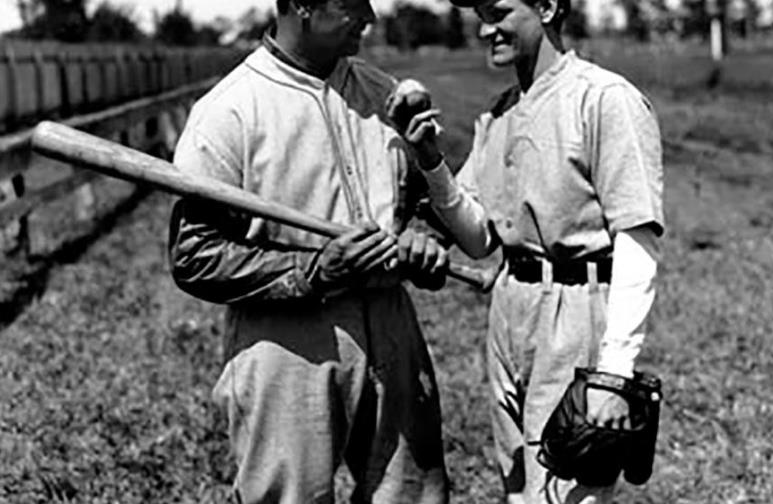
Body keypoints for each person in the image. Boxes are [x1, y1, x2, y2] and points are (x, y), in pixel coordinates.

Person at [166, 0, 452, 501]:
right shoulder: (230, 109)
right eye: (352, 4)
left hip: (390, 323)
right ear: (301, 5)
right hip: (286, 336)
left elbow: (427, 204)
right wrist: (314, 270)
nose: (370, 17)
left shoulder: (382, 94)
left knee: (413, 493)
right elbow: (195, 256)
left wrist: (422, 238)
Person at [387, 0, 664, 502]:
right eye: (478, 13)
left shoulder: (604, 99)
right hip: (510, 308)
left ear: (549, 7)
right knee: (518, 488)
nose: (484, 28)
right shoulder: (499, 114)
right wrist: (430, 160)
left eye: (497, 10)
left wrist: (614, 373)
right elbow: (479, 238)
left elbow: (637, 244)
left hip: (577, 313)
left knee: (566, 492)